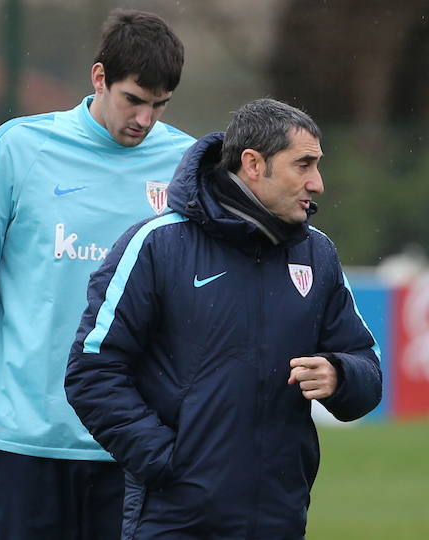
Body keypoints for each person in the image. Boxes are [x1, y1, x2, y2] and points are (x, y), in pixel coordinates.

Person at [0, 9, 194, 539]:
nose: (144, 120)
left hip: (136, 438)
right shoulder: (18, 148)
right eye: (133, 100)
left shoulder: (187, 163)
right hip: (28, 437)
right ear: (100, 79)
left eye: (159, 105)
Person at [64, 98, 382, 539]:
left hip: (278, 517)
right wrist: (168, 462)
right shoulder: (157, 245)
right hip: (174, 520)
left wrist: (340, 374)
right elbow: (93, 371)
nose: (318, 183)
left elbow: (367, 366)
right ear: (254, 164)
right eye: (303, 165)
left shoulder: (318, 254)